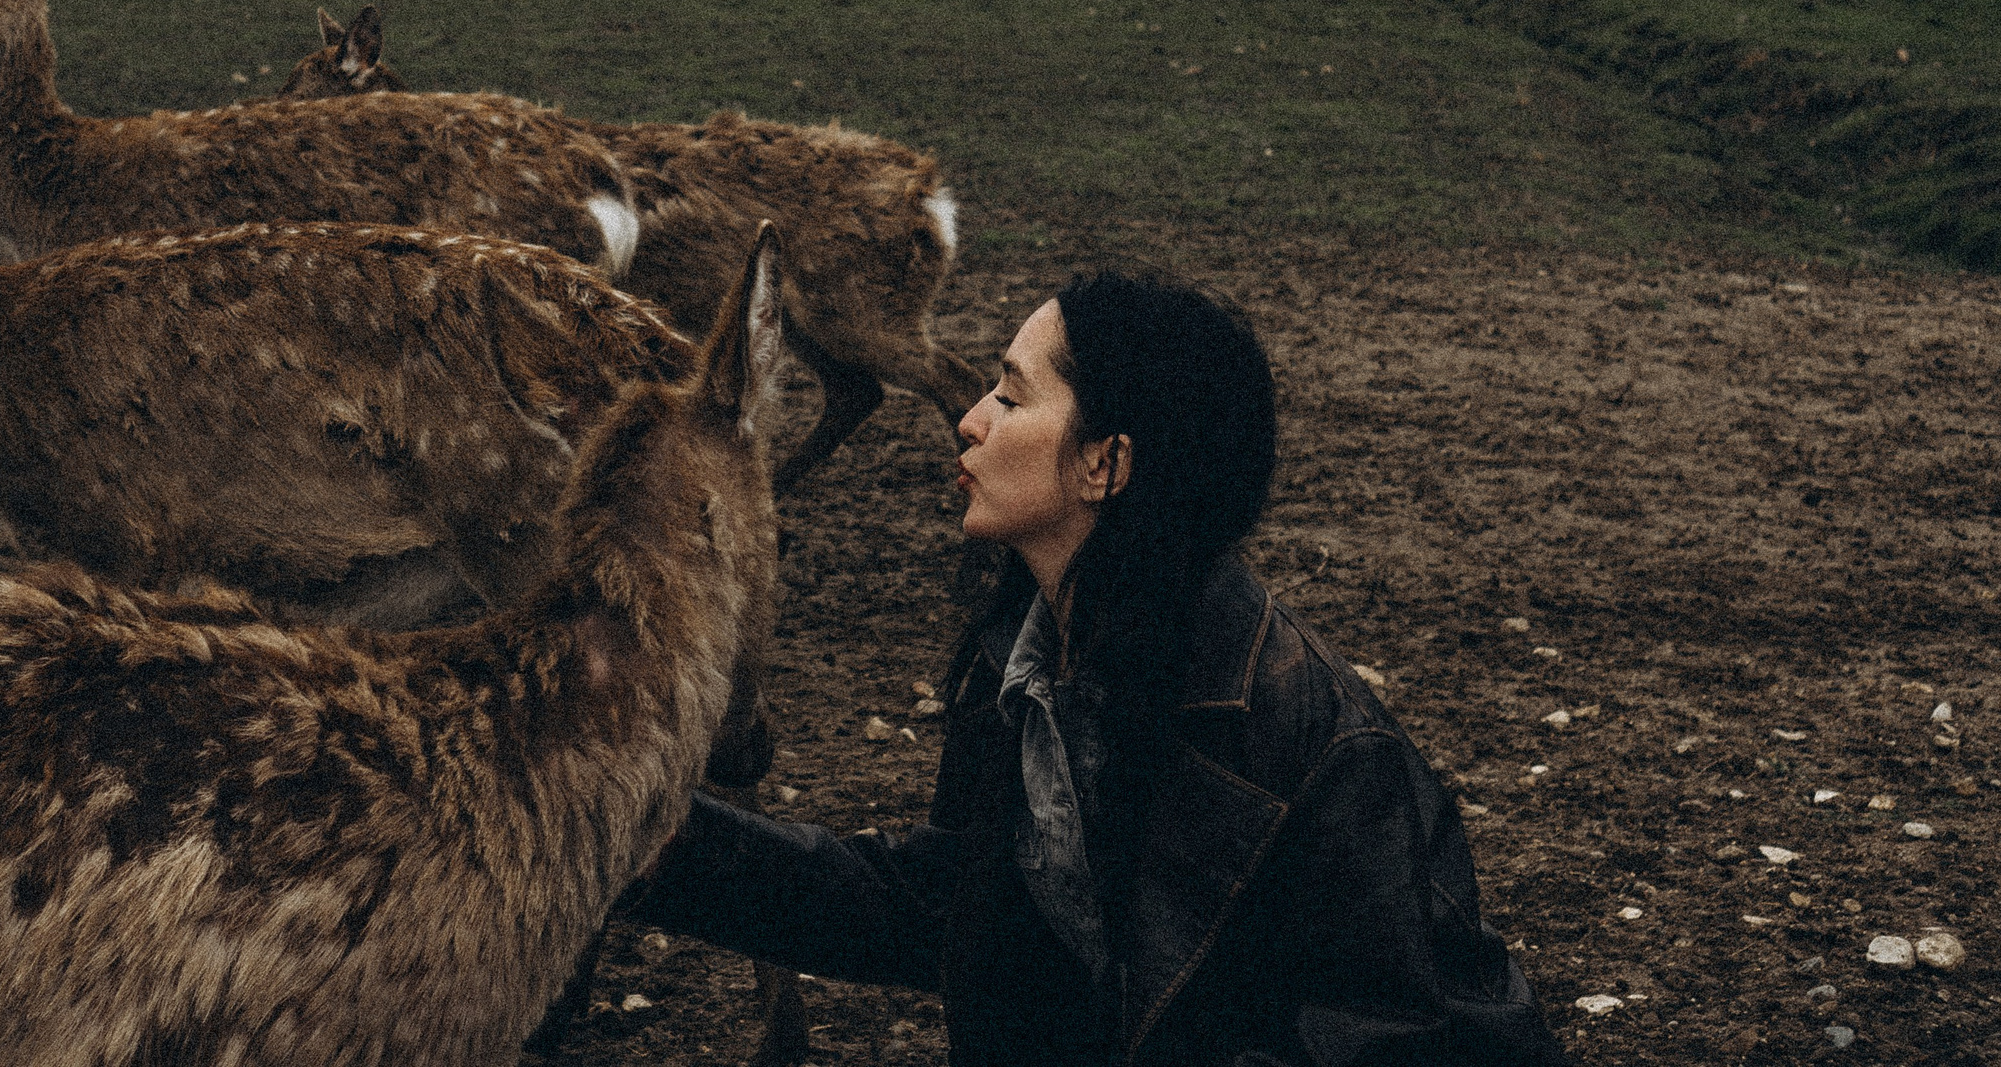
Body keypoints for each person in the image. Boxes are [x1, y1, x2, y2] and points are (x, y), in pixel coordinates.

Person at [630, 270, 1566, 1065]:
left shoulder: (1320, 747)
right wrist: (632, 827)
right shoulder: (1029, 662)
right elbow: (949, 905)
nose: (968, 421)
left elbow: (1402, 1035)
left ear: (1106, 464)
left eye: (1010, 394)